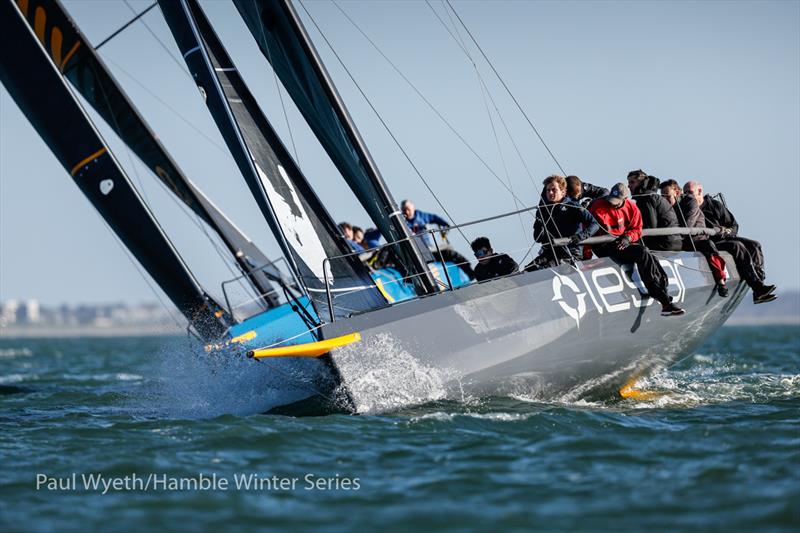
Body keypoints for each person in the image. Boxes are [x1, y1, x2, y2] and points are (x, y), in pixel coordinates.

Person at [589, 183, 686, 316]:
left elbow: (637, 229)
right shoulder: (597, 206)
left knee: (647, 254)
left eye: (617, 202)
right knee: (643, 252)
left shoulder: (631, 207)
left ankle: (663, 295)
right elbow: (587, 231)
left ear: (625, 199)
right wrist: (586, 258)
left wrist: (628, 238)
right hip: (605, 246)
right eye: (611, 200)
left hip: (623, 243)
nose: (613, 204)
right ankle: (664, 300)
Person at [684, 181, 777, 304]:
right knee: (737, 246)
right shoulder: (687, 208)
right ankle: (758, 287)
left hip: (724, 237)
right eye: (685, 194)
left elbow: (734, 226)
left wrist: (725, 232)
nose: (688, 196)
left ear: (700, 191)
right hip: (709, 242)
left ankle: (759, 286)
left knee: (755, 245)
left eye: (690, 193)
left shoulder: (715, 205)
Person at [659, 180, 729, 297]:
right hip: (680, 240)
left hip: (697, 239)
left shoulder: (690, 202)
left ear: (677, 193)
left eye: (667, 196)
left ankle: (721, 281)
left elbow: (688, 224)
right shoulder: (666, 207)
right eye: (662, 197)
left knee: (709, 246)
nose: (664, 200)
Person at [526, 175, 599, 271]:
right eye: (548, 190)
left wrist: (581, 236)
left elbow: (594, 224)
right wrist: (539, 226)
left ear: (563, 192)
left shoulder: (573, 207)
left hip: (569, 253)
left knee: (545, 270)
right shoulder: (543, 210)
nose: (550, 193)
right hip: (550, 252)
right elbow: (538, 238)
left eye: (554, 190)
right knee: (527, 271)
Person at [401, 199, 475, 279]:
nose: (407, 212)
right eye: (404, 210)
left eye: (408, 209)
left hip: (429, 250)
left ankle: (471, 274)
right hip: (413, 253)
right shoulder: (400, 221)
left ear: (413, 208)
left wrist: (445, 225)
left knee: (451, 253)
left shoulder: (421, 215)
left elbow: (434, 218)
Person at [627, 171, 681, 251]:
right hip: (672, 241)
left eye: (632, 182)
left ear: (641, 183)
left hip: (664, 244)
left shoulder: (646, 198)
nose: (628, 186)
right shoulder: (652, 196)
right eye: (628, 182)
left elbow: (650, 226)